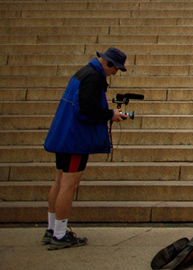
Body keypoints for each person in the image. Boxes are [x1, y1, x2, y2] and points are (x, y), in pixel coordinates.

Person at [43, 48, 130, 250]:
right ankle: (60, 234)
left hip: (64, 135)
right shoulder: (92, 77)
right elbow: (86, 110)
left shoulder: (82, 73)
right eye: (115, 68)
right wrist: (110, 114)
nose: (115, 73)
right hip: (75, 140)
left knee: (58, 182)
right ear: (108, 63)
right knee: (68, 184)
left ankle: (52, 228)